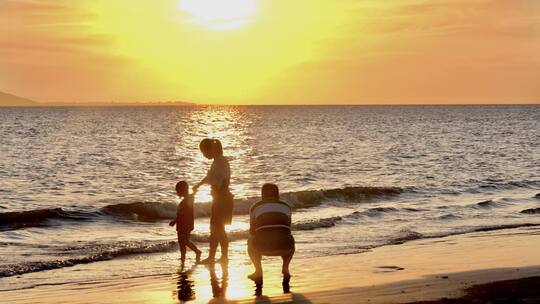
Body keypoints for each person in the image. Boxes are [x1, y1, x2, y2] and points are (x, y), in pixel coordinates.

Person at [193, 139, 234, 264]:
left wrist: (219, 195)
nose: (204, 155)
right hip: (220, 199)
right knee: (217, 229)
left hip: (222, 199)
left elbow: (224, 181)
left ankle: (218, 257)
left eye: (204, 152)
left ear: (212, 149)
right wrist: (198, 185)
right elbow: (210, 177)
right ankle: (218, 257)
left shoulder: (221, 161)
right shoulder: (217, 161)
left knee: (217, 229)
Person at [247, 183, 295, 283]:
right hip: (285, 247)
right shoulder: (286, 206)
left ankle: (258, 271)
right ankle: (285, 268)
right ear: (277, 194)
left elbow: (252, 231)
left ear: (262, 194)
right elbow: (288, 228)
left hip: (262, 247)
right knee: (289, 238)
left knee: (251, 239)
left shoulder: (255, 207)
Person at [169, 180, 202, 263]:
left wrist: (175, 221)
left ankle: (197, 252)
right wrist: (175, 221)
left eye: (178, 191)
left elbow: (184, 213)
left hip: (186, 223)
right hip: (182, 223)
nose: (177, 193)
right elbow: (180, 213)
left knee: (184, 240)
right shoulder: (187, 199)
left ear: (182, 191)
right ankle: (183, 257)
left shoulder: (188, 199)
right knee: (181, 241)